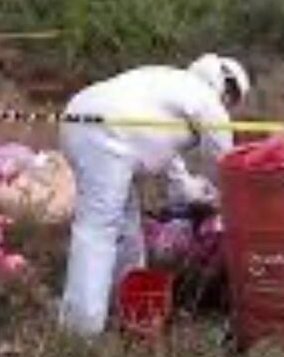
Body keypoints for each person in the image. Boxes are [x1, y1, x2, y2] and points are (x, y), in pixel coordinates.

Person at [58, 54, 251, 335]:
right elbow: (225, 163)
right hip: (106, 132)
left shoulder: (167, 86)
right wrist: (236, 202)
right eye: (230, 98)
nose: (229, 105)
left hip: (81, 119)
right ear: (223, 86)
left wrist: (192, 190)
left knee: (125, 225)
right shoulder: (206, 100)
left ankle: (122, 303)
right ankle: (80, 333)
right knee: (98, 229)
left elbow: (172, 169)